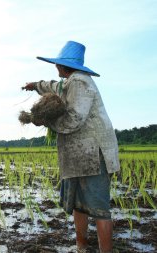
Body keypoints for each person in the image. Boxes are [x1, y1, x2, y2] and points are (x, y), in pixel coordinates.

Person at [23, 41, 120, 253]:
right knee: (78, 204)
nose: (56, 68)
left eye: (58, 65)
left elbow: (75, 119)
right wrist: (35, 85)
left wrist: (44, 120)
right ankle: (81, 247)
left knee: (99, 209)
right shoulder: (68, 82)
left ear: (65, 66)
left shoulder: (81, 82)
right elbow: (53, 86)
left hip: (93, 154)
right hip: (77, 156)